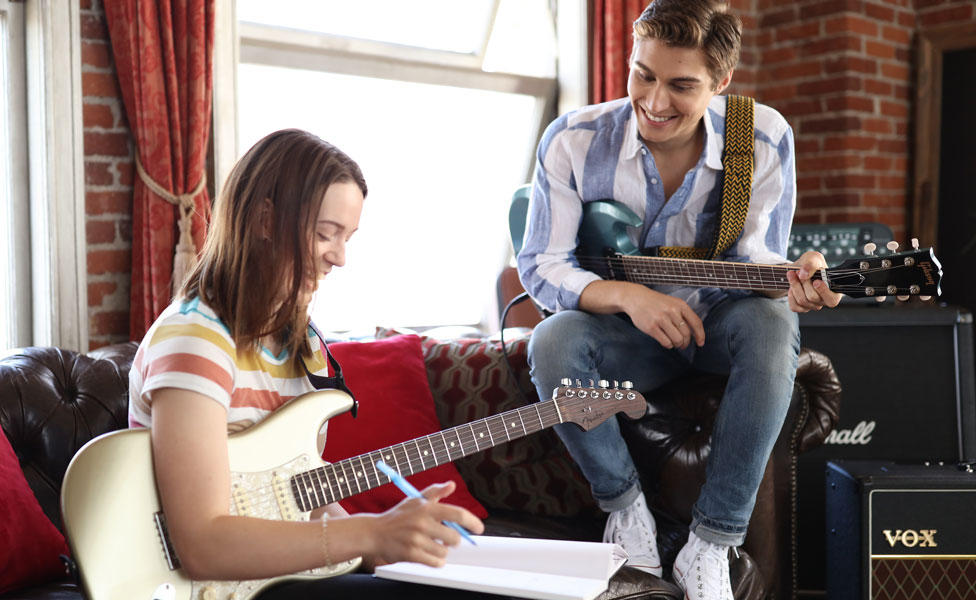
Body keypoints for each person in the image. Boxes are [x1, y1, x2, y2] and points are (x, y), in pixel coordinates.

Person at [516, 1, 841, 598]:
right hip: (625, 339)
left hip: (719, 323)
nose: (655, 101)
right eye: (643, 74)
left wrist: (798, 276)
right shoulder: (572, 141)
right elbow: (541, 264)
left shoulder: (763, 138)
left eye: (681, 85)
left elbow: (758, 257)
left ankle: (711, 544)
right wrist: (628, 298)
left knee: (772, 323)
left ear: (720, 83)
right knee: (552, 338)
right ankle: (625, 510)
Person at [129, 129, 497, 599]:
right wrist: (371, 533)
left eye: (348, 238)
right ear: (265, 218)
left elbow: (299, 498)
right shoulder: (195, 341)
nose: (340, 258)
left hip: (281, 574)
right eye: (326, 234)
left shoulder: (303, 346)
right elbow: (203, 544)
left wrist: (391, 542)